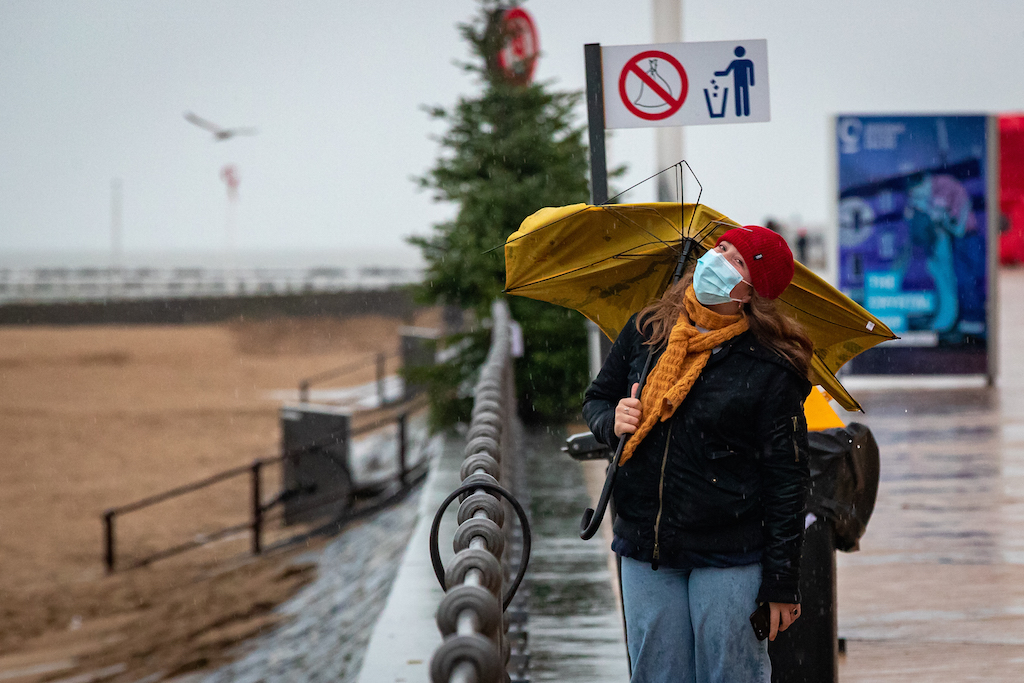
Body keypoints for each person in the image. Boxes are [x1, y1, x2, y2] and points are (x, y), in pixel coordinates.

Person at [582, 225, 813, 683]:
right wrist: (613, 421)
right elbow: (597, 399)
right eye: (721, 247)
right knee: (657, 674)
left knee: (730, 674)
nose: (718, 258)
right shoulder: (649, 331)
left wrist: (782, 583)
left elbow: (787, 482)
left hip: (730, 554)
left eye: (737, 260)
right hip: (645, 545)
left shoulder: (771, 367)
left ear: (750, 291)